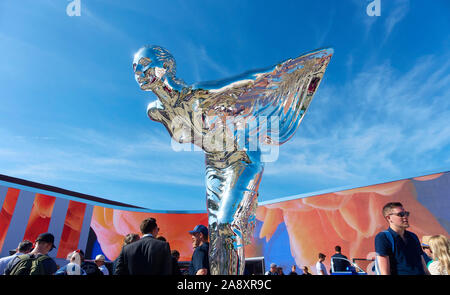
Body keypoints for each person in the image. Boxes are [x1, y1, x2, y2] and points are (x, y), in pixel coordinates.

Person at [374, 202, 430, 275]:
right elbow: (384, 272)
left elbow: (423, 266)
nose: (405, 217)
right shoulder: (383, 237)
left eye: (406, 213)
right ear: (389, 218)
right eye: (400, 214)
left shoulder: (413, 236)